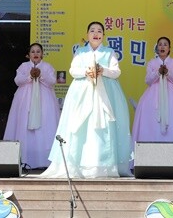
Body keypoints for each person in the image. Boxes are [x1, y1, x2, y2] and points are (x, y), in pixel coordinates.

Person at [41, 21, 132, 178]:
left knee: (103, 127)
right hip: (82, 95)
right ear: (87, 34)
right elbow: (73, 70)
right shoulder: (81, 52)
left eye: (99, 31)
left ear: (103, 35)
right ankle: (77, 166)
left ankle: (104, 166)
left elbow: (116, 71)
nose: (96, 33)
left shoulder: (109, 52)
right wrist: (86, 71)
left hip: (105, 96)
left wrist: (102, 70)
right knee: (81, 127)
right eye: (92, 30)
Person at [3, 43, 61, 169]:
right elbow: (17, 81)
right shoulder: (23, 66)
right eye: (33, 51)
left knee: (45, 126)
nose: (35, 54)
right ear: (28, 54)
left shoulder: (47, 66)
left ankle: (44, 160)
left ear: (42, 54)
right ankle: (23, 159)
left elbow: (52, 82)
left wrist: (41, 75)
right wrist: (30, 76)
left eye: (38, 51)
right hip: (25, 101)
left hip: (45, 101)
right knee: (24, 125)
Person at [132, 37, 173, 144]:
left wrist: (168, 73)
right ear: (157, 47)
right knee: (152, 121)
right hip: (153, 96)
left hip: (172, 96)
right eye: (160, 44)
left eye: (165, 44)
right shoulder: (152, 63)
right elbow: (148, 80)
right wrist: (157, 73)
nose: (162, 46)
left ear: (169, 48)